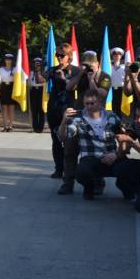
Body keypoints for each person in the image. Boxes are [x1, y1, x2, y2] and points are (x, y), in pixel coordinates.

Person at [59, 89, 122, 200]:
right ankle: (88, 188)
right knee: (81, 170)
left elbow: (125, 137)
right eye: (86, 104)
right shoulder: (78, 119)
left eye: (92, 103)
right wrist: (64, 121)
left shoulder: (111, 116)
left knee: (129, 169)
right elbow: (63, 136)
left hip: (111, 157)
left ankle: (129, 191)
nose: (89, 106)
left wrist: (117, 154)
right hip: (91, 157)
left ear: (100, 103)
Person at [45, 43, 79, 184]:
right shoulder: (53, 69)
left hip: (68, 108)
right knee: (56, 140)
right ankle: (58, 169)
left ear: (69, 57)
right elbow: (40, 80)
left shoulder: (76, 71)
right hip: (54, 107)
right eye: (57, 55)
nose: (59, 58)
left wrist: (64, 78)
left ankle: (70, 170)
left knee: (70, 140)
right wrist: (39, 71)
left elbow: (75, 87)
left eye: (62, 55)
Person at [0, 53, 17, 132]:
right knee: (4, 107)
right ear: (5, 60)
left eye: (9, 60)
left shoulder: (15, 69)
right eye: (7, 59)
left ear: (12, 61)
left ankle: (11, 126)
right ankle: (5, 126)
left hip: (12, 87)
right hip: (3, 88)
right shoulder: (1, 69)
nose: (8, 61)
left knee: (11, 108)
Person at [28, 57, 45, 133]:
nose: (37, 65)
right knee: (34, 110)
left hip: (42, 91)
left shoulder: (44, 72)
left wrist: (38, 73)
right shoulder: (31, 72)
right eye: (36, 63)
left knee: (41, 110)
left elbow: (42, 82)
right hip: (34, 90)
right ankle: (35, 127)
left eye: (38, 63)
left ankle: (40, 127)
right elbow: (28, 82)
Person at [110, 47, 125, 113]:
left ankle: (120, 121)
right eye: (114, 55)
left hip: (121, 90)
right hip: (111, 89)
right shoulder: (109, 66)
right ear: (112, 56)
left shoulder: (125, 66)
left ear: (121, 56)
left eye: (119, 54)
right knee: (112, 107)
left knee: (120, 108)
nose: (116, 56)